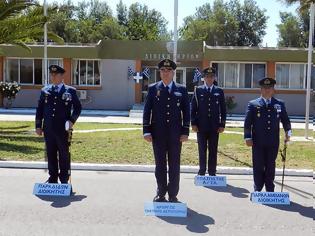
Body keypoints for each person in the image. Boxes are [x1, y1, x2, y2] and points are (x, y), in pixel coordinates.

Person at [143, 59, 190, 202]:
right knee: (160, 165)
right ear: (160, 72)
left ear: (173, 72)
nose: (165, 73)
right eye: (163, 70)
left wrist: (185, 131)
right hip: (158, 134)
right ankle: (161, 192)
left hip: (176, 135)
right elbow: (147, 111)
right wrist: (146, 130)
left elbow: (186, 112)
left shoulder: (181, 89)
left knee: (174, 165)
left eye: (168, 70)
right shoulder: (153, 88)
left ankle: (173, 194)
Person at [35, 65, 82, 184]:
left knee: (64, 154)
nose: (53, 76)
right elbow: (39, 109)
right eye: (51, 74)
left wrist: (71, 121)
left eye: (55, 75)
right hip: (48, 128)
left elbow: (78, 108)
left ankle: (64, 178)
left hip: (62, 129)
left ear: (61, 76)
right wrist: (38, 126)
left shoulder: (70, 91)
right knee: (50, 154)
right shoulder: (45, 90)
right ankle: (53, 178)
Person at [244, 77, 291, 192]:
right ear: (261, 89)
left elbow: (285, 120)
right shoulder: (253, 104)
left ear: (273, 89)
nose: (267, 90)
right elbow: (247, 123)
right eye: (265, 88)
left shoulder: (279, 104)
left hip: (273, 141)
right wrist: (247, 137)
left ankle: (270, 188)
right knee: (258, 165)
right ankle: (258, 187)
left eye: (269, 88)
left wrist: (288, 133)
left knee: (271, 165)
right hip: (258, 141)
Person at [191, 67, 226, 176]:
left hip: (214, 126)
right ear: (204, 78)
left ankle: (212, 171)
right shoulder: (198, 90)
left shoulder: (219, 91)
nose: (209, 79)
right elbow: (193, 108)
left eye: (211, 76)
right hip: (201, 126)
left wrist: (222, 124)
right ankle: (202, 171)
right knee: (202, 149)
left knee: (213, 149)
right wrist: (193, 123)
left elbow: (223, 109)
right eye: (207, 77)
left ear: (214, 78)